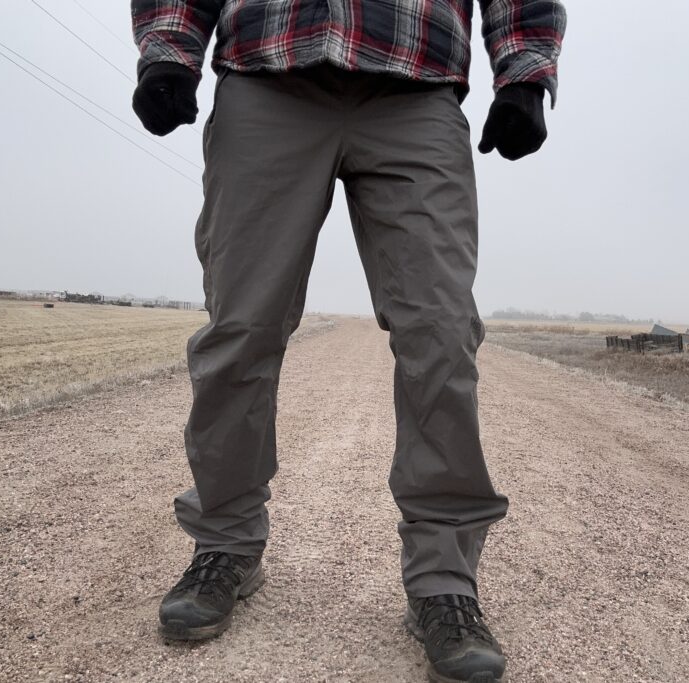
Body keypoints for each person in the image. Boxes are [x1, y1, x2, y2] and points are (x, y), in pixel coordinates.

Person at [130, 1, 565, 680]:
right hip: (267, 71)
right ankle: (226, 543)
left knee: (441, 332)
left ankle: (443, 579)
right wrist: (168, 47)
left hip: (415, 81)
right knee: (241, 328)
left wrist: (526, 73)